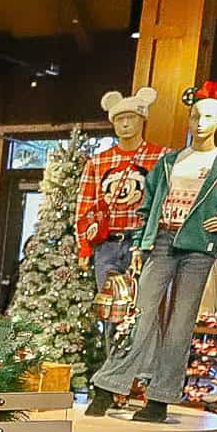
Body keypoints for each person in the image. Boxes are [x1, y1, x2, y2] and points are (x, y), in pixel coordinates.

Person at [84, 81, 217, 423]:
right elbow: (148, 205)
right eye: (195, 116)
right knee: (139, 316)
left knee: (180, 325)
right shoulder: (170, 161)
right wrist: (142, 245)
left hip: (199, 249)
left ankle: (159, 399)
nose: (200, 122)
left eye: (208, 116)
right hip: (161, 242)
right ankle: (108, 385)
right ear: (189, 121)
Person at [77, 87, 165, 294]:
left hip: (144, 244)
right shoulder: (98, 162)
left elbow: (165, 201)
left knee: (141, 306)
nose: (125, 124)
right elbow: (86, 206)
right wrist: (84, 245)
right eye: (119, 119)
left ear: (142, 119)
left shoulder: (161, 157)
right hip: (107, 243)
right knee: (109, 306)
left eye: (131, 118)